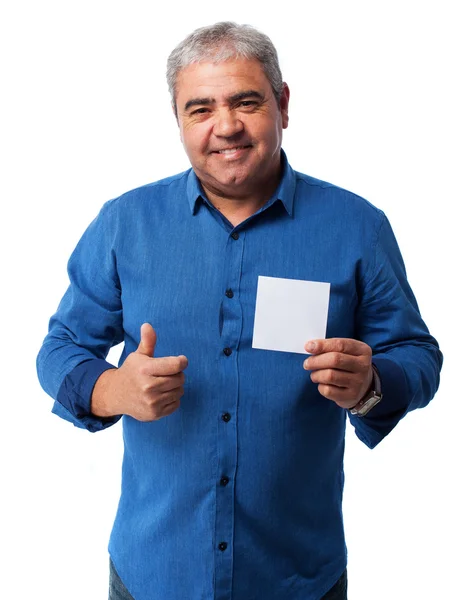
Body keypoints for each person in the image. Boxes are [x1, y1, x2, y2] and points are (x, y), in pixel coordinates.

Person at [36, 21, 442, 600]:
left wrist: (370, 386)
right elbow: (59, 349)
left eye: (246, 101)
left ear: (282, 104)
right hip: (154, 574)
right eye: (200, 109)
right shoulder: (124, 224)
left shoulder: (357, 227)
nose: (225, 126)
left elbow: (418, 356)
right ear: (178, 122)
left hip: (299, 578)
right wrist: (111, 390)